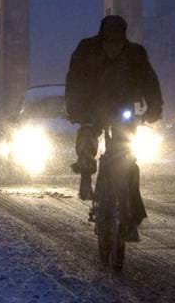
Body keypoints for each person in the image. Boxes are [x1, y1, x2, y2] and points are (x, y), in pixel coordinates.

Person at [65, 15, 162, 239]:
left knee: (128, 163)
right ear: (102, 39)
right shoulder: (86, 50)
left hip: (123, 111)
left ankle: (131, 216)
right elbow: (73, 82)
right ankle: (86, 175)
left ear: (123, 41)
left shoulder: (135, 54)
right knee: (88, 137)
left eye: (118, 44)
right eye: (109, 43)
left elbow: (150, 82)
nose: (113, 49)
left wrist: (154, 109)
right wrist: (74, 109)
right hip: (91, 108)